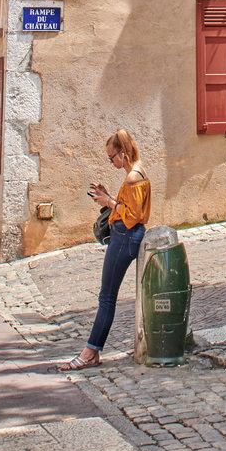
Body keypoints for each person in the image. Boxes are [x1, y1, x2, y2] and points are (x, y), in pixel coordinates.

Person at [68, 130, 151, 370]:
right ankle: (92, 351)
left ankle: (90, 351)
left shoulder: (132, 178)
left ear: (122, 154)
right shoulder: (138, 171)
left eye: (111, 157)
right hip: (126, 236)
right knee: (107, 297)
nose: (111, 161)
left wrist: (108, 202)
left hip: (124, 237)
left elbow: (131, 217)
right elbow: (129, 208)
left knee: (106, 298)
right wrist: (109, 197)